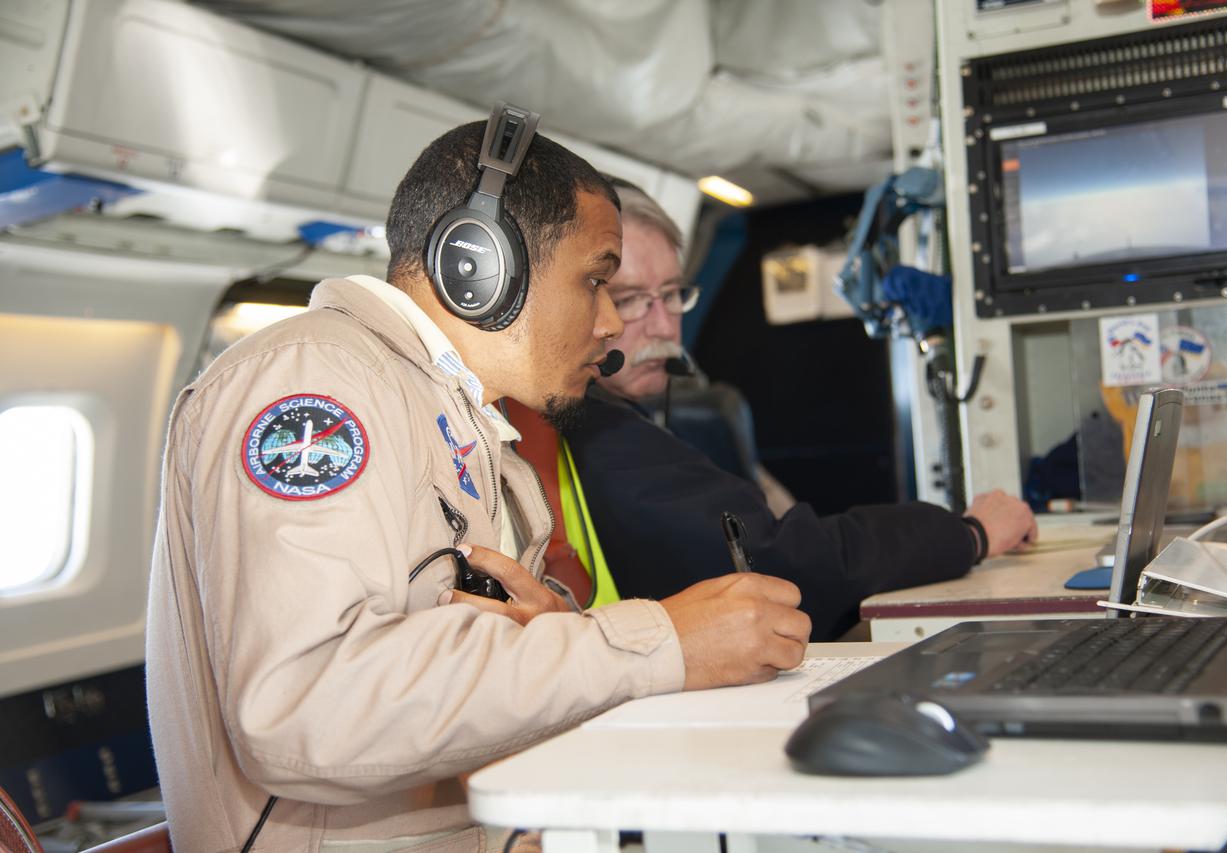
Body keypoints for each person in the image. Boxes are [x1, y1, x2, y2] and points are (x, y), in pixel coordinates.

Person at [145, 113, 810, 851]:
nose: (607, 323)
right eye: (596, 280)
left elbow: (475, 684)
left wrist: (568, 640)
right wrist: (660, 642)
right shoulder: (316, 382)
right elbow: (306, 707)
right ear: (478, 266)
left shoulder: (480, 434)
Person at [555, 180, 1037, 641]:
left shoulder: (623, 421)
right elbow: (778, 563)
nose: (663, 325)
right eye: (630, 300)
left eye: (673, 294)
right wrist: (969, 534)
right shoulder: (597, 429)